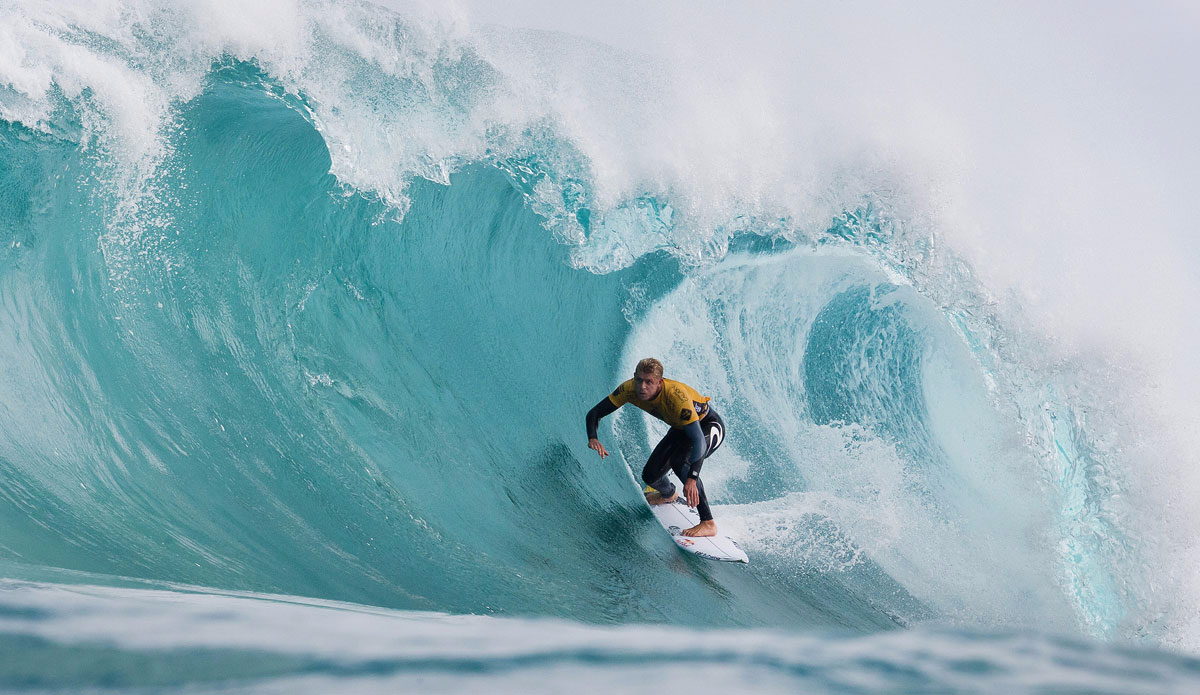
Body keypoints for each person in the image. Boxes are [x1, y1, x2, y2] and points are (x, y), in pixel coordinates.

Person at [585, 358, 726, 537]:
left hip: (707, 426)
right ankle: (669, 495)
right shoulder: (629, 390)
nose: (642, 386)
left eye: (649, 382)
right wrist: (593, 438)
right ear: (634, 377)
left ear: (660, 382)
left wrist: (692, 477)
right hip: (681, 427)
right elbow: (595, 412)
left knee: (680, 462)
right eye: (639, 380)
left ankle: (708, 522)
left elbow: (698, 440)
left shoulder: (676, 396)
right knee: (651, 475)